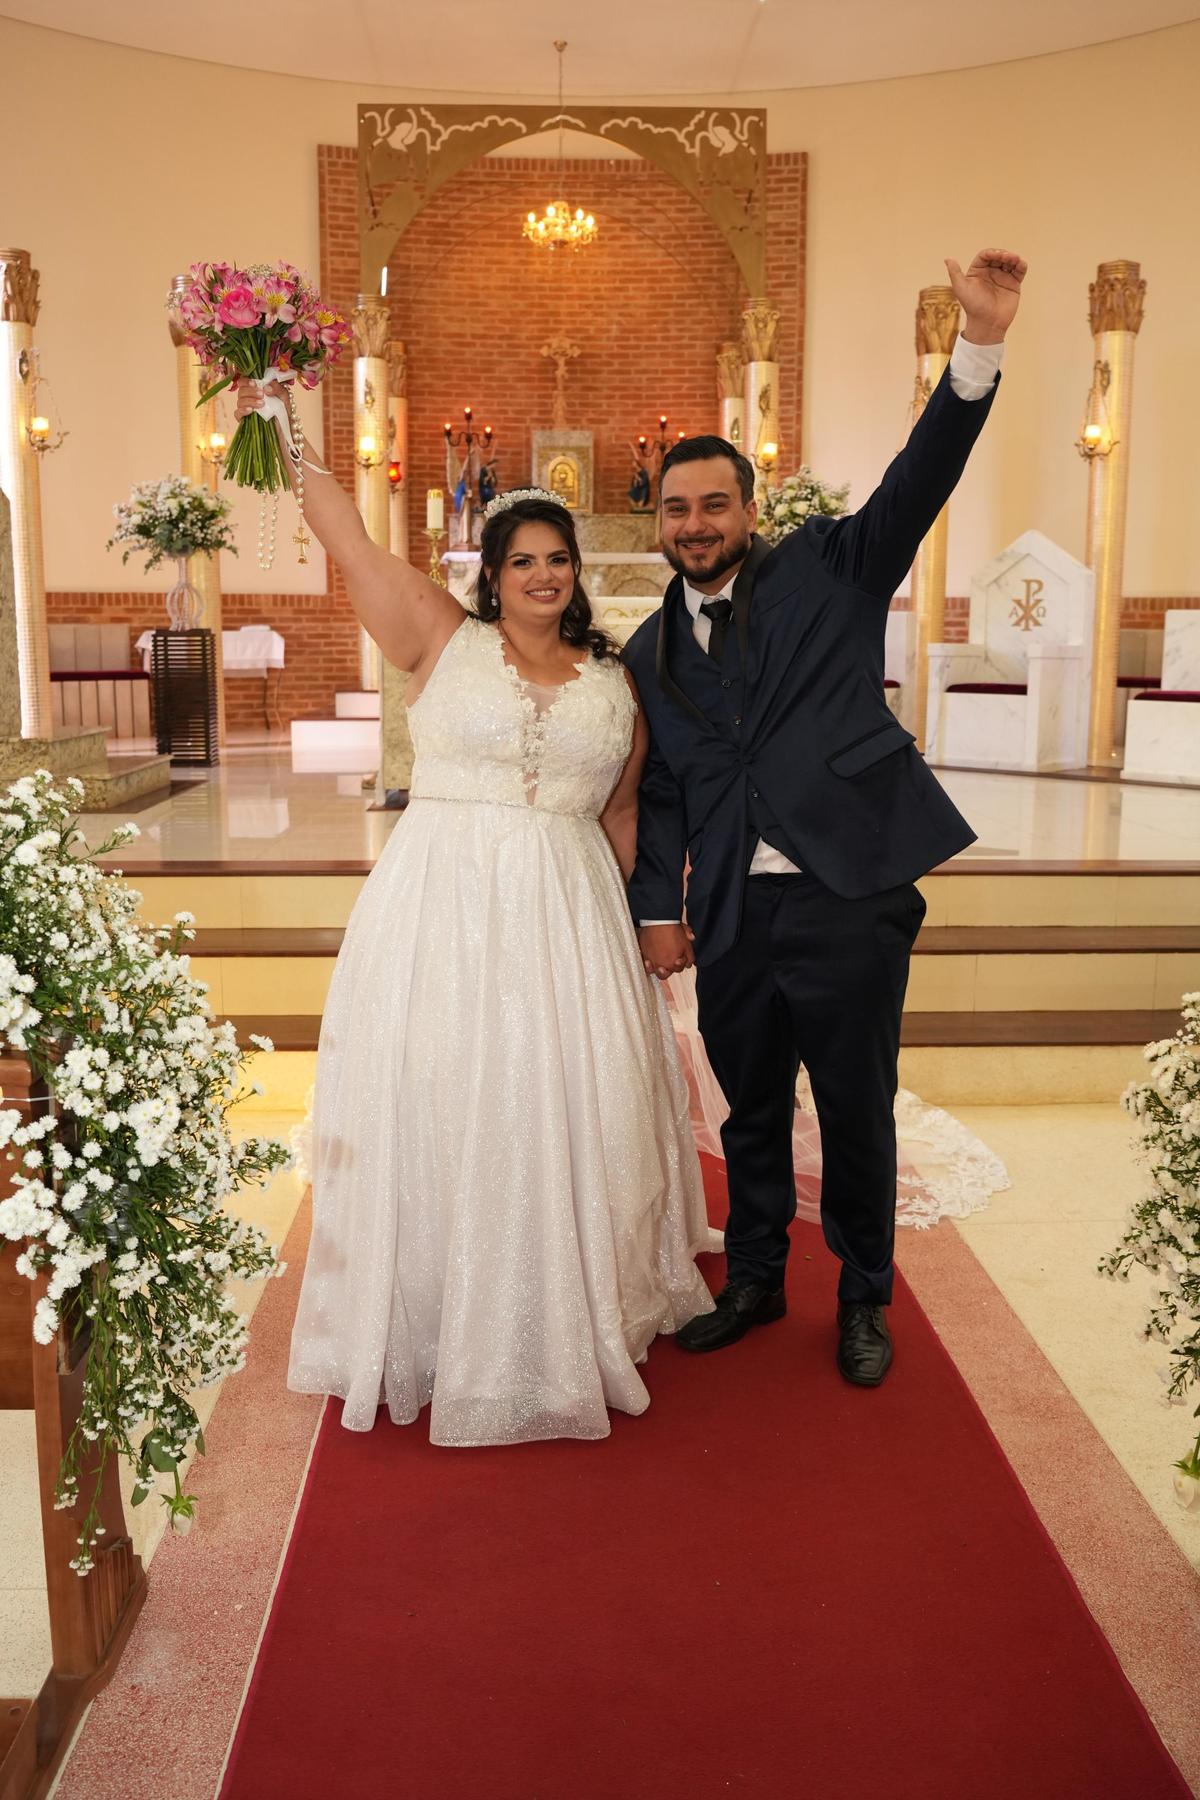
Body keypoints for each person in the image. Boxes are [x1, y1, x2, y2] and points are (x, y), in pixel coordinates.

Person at [238, 375, 718, 1442]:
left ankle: (565, 1301)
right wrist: (279, 418)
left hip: (571, 912)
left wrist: (640, 928)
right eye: (523, 561)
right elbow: (346, 535)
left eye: (558, 560)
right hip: (443, 908)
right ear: (491, 575)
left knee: (567, 1095)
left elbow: (624, 811)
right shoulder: (438, 635)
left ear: (576, 572)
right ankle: (439, 1309)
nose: (544, 576)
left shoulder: (616, 680)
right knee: (450, 1092)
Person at [623, 248, 1027, 1385]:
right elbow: (662, 791)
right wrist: (660, 910)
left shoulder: (831, 570)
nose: (696, 523)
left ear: (749, 510)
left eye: (715, 504)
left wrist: (980, 341)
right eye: (677, 509)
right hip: (733, 913)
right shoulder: (650, 651)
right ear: (658, 523)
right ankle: (755, 1279)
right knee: (750, 1108)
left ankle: (862, 1299)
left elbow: (921, 476)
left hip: (849, 889)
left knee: (855, 1109)